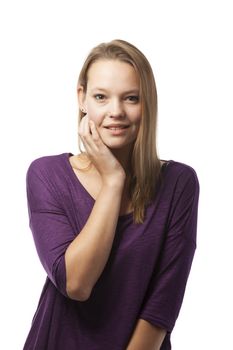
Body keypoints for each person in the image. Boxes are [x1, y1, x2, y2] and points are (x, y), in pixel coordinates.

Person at [23, 39, 199, 350]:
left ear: (148, 103)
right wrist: (114, 181)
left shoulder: (179, 183)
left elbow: (161, 309)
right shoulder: (46, 174)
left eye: (131, 98)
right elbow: (76, 283)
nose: (115, 111)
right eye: (101, 97)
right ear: (82, 98)